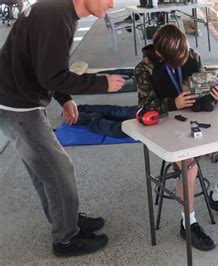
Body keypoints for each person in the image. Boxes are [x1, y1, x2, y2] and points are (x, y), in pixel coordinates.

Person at [0, 0, 125, 257]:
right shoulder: (55, 17)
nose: (112, 4)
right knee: (58, 170)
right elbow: (51, 76)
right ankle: (66, 239)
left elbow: (45, 64)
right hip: (18, 105)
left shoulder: (57, 11)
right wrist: (101, 84)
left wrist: (64, 98)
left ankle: (67, 221)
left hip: (17, 99)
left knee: (45, 171)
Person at [134, 24, 218, 251]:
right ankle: (189, 223)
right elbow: (143, 109)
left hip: (199, 125)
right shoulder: (144, 69)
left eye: (185, 56)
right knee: (190, 169)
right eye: (178, 60)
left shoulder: (192, 56)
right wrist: (172, 104)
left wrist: (216, 96)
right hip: (168, 130)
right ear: (160, 53)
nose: (185, 62)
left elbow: (206, 94)